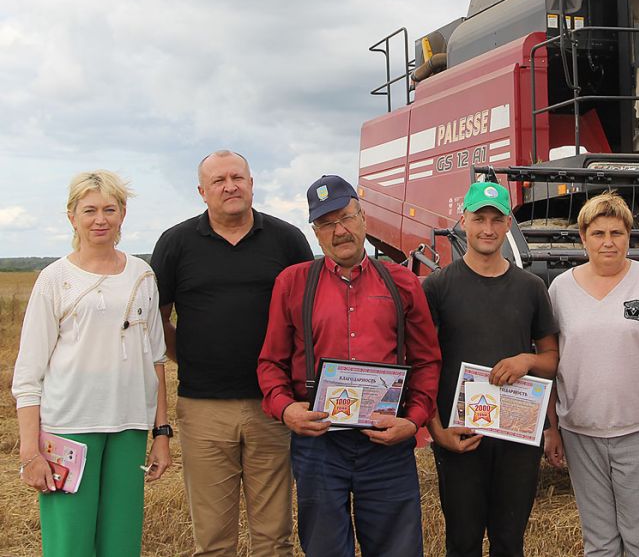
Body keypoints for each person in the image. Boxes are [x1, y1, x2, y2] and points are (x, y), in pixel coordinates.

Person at [257, 174, 441, 557]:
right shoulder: (292, 283)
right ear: (315, 232)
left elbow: (426, 361)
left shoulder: (402, 282)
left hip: (386, 444)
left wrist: (413, 420)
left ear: (364, 219)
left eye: (346, 217)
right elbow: (271, 363)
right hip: (319, 446)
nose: (339, 231)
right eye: (326, 223)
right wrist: (286, 409)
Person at [151, 150, 313, 556]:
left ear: (252, 183)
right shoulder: (176, 243)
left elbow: (309, 315)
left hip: (273, 408)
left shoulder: (287, 239)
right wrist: (186, 355)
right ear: (202, 192)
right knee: (213, 539)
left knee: (274, 537)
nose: (230, 186)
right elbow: (158, 317)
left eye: (237, 177)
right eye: (219, 180)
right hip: (203, 407)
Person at [12, 170, 171, 557]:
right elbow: (28, 374)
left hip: (129, 426)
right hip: (69, 429)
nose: (100, 219)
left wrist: (162, 433)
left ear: (123, 214)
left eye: (109, 209)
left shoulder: (142, 275)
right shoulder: (54, 279)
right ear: (72, 217)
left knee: (121, 544)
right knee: (70, 545)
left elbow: (156, 359)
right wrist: (30, 453)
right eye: (89, 210)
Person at [544, 192, 639, 557]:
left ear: (629, 236)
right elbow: (551, 360)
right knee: (600, 540)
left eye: (617, 232)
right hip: (581, 432)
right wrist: (552, 428)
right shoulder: (560, 289)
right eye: (598, 233)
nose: (608, 242)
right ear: (582, 237)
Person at [421, 181, 559, 557]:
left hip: (516, 439)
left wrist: (526, 360)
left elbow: (551, 359)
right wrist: (438, 432)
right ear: (462, 220)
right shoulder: (437, 287)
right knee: (462, 543)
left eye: (496, 220)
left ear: (508, 224)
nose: (487, 228)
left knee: (509, 543)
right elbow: (422, 365)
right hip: (461, 438)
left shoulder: (530, 288)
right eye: (478, 218)